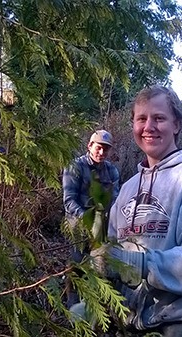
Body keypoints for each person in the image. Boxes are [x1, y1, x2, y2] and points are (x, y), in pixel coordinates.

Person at [100, 85, 182, 337]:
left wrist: (133, 264)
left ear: (177, 125)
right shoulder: (127, 189)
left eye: (159, 118)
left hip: (181, 327)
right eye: (141, 119)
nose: (149, 127)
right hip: (127, 327)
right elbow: (112, 251)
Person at [62, 129, 120, 307]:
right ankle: (72, 305)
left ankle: (97, 306)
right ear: (89, 146)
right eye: (98, 148)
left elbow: (116, 200)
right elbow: (69, 201)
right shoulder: (75, 167)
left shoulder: (111, 171)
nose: (102, 152)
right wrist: (86, 220)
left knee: (102, 265)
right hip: (77, 221)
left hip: (101, 222)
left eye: (106, 149)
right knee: (77, 265)